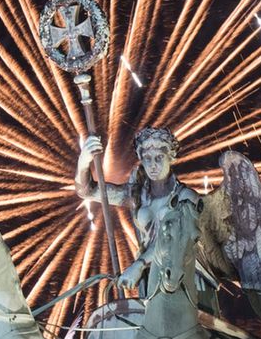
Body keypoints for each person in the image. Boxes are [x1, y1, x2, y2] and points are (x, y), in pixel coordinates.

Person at [74, 127, 219, 310]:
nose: (152, 165)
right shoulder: (136, 195)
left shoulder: (186, 198)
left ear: (171, 157)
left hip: (185, 276)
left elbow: (170, 241)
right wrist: (84, 161)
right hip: (149, 276)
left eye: (159, 158)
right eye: (147, 159)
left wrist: (139, 264)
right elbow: (88, 191)